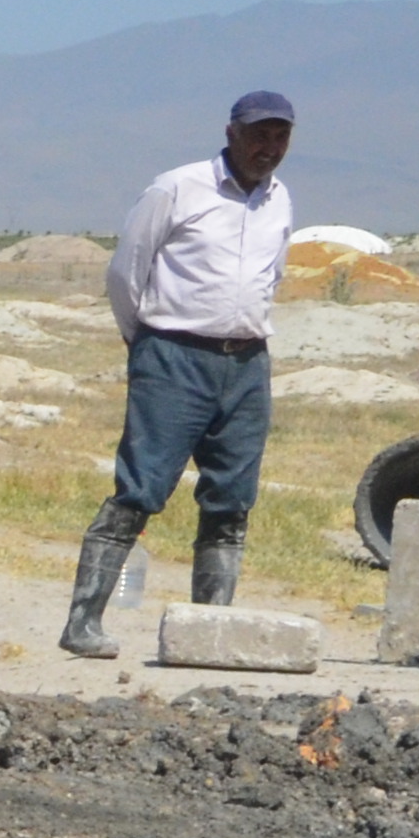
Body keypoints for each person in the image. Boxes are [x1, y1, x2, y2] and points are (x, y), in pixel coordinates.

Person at [67, 91, 296, 655]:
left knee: (231, 499)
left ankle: (209, 631)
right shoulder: (176, 187)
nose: (269, 148)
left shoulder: (281, 199)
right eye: (259, 135)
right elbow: (126, 273)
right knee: (140, 488)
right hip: (173, 355)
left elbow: (275, 275)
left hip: (246, 363)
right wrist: (144, 343)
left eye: (280, 137)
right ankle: (83, 624)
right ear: (231, 133)